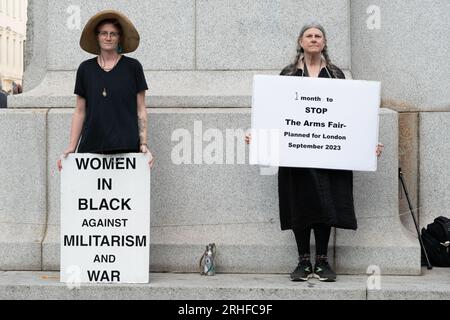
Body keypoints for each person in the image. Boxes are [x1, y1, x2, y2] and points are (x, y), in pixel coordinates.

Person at [246, 23, 384, 282]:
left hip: (327, 153)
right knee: (299, 202)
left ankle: (321, 261)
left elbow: (349, 115)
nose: (313, 39)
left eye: (318, 36)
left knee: (326, 201)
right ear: (300, 41)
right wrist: (258, 135)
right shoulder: (287, 75)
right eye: (308, 36)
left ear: (324, 42)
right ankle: (302, 261)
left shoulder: (335, 75)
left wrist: (366, 144)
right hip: (295, 153)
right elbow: (275, 112)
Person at [57, 10, 154, 171]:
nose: (108, 38)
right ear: (97, 37)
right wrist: (71, 147)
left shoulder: (133, 67)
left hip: (126, 148)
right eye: (104, 33)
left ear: (119, 38)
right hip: (91, 147)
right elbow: (80, 111)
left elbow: (141, 109)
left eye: (113, 34)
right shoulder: (85, 69)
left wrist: (143, 144)